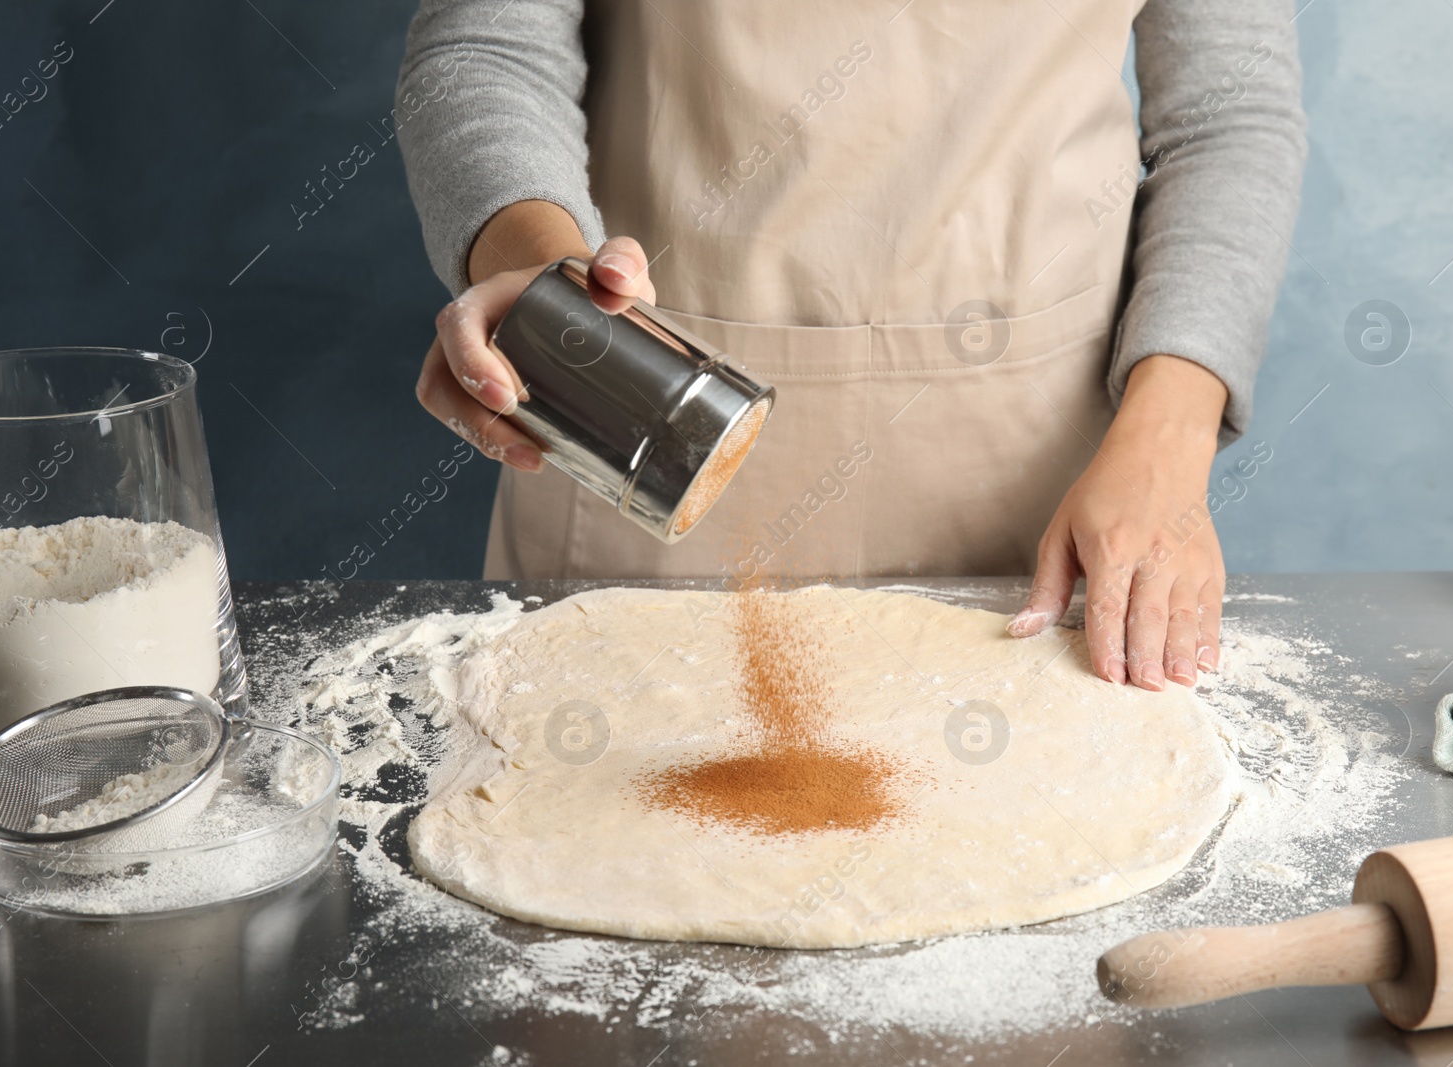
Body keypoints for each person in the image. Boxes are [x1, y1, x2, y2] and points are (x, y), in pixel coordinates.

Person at [396, 0, 1306, 692]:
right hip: (641, 424)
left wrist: (1169, 441)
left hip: (1046, 500)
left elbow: (1228, 117)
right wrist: (551, 302)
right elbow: (488, 46)